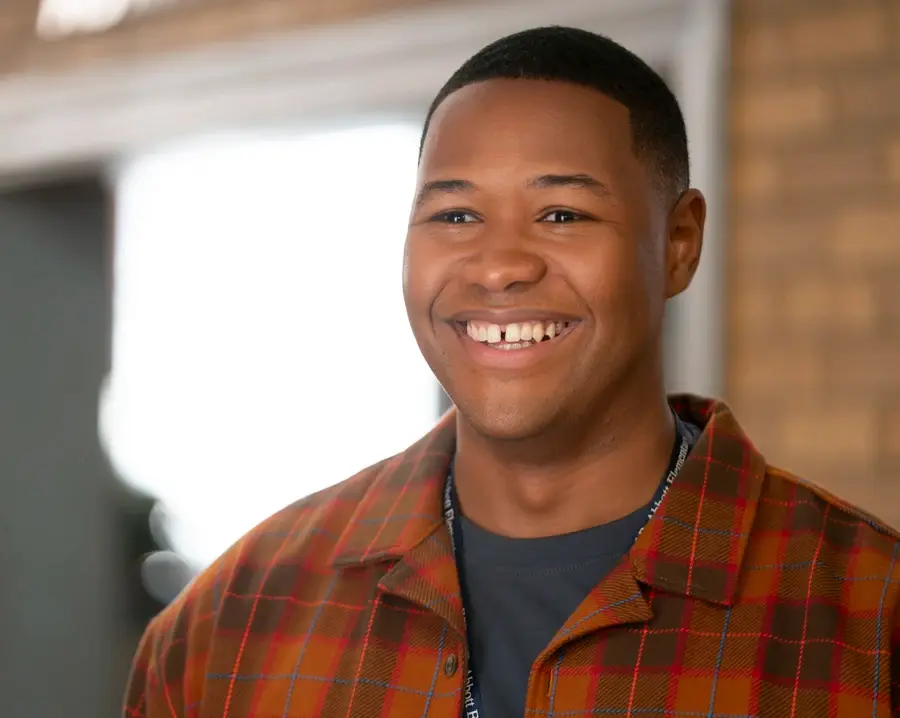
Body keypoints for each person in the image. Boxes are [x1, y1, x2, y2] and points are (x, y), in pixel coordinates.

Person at [123, 26, 900, 717]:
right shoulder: (229, 625)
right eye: (455, 216)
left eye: (561, 215)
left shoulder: (871, 620)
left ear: (679, 243)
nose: (498, 267)